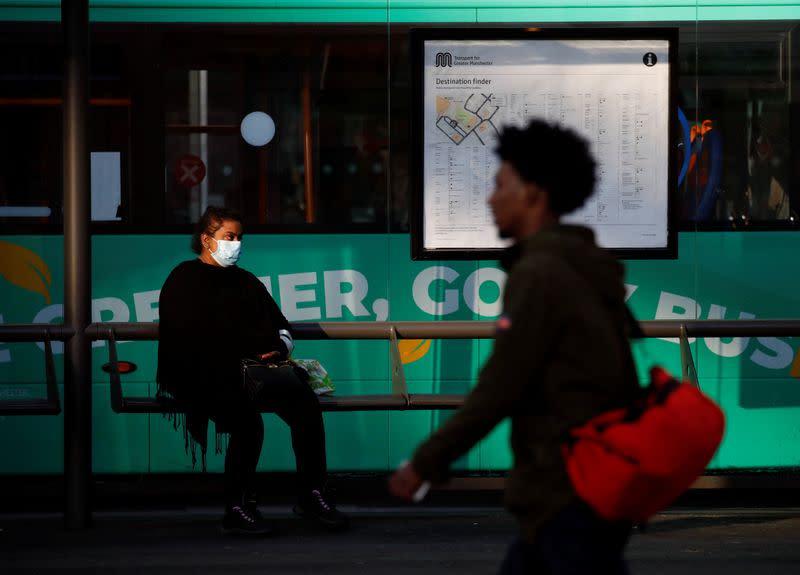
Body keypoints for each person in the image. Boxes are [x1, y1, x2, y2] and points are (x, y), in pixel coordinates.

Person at [389, 119, 640, 574]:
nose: (491, 197)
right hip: (589, 486)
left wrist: (425, 462)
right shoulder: (584, 266)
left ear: (533, 193)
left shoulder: (541, 273)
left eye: (500, 184)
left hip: (566, 491)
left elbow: (500, 386)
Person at [157, 205, 348, 535]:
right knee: (248, 423)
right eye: (228, 236)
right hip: (203, 376)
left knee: (306, 407)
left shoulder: (246, 282)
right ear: (206, 239)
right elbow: (188, 337)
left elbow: (282, 328)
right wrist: (244, 351)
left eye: (239, 237)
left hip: (254, 373)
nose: (236, 243)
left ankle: (312, 495)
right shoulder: (184, 279)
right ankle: (237, 505)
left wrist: (277, 348)